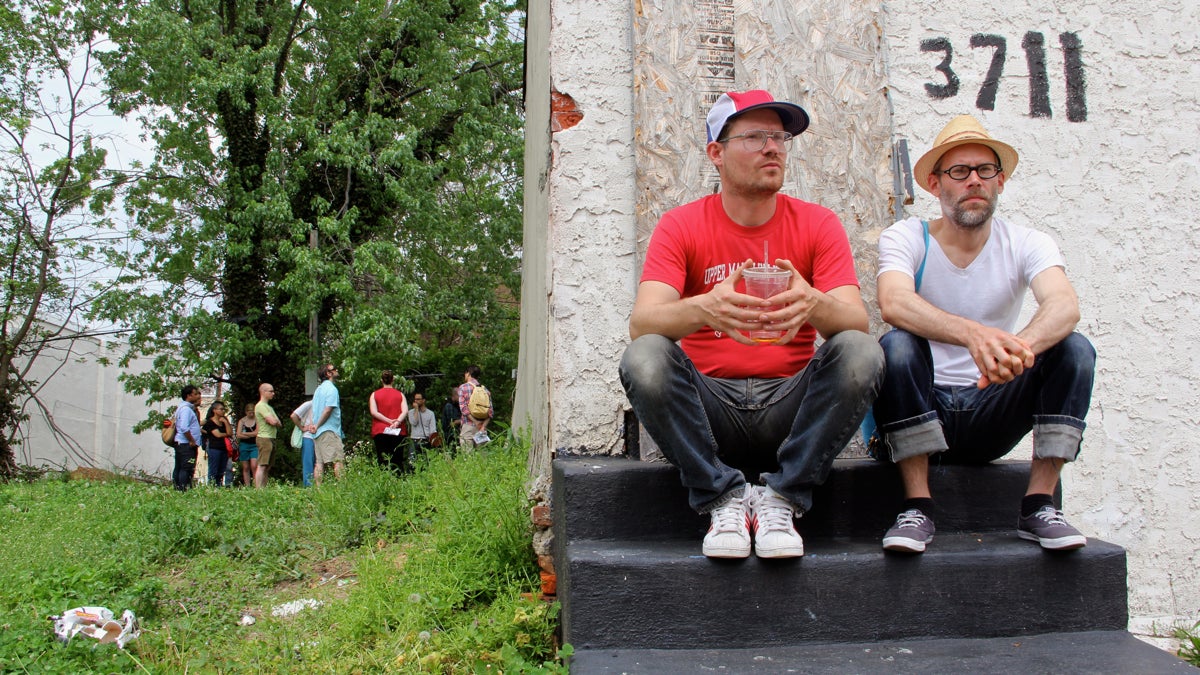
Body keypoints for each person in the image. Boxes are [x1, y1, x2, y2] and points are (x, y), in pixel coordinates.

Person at [618, 90, 884, 559]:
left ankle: (782, 498)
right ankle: (722, 497)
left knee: (862, 352)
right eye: (756, 136)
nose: (773, 147)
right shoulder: (681, 225)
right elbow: (644, 323)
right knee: (644, 358)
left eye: (780, 137)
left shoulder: (818, 223)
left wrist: (813, 303)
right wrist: (704, 308)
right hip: (709, 410)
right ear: (715, 153)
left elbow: (855, 321)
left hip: (790, 408)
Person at [872, 114, 1096, 553]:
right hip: (923, 405)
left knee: (1074, 349)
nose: (974, 180)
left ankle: (1039, 505)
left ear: (1001, 181)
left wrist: (1019, 349)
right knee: (895, 345)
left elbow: (1064, 305)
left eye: (985, 170)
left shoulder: (1028, 242)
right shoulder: (907, 236)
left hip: (993, 403)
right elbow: (893, 302)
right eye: (959, 171)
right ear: (935, 185)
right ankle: (918, 506)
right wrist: (975, 335)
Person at [308, 363, 345, 485]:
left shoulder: (318, 390)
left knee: (319, 463)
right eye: (334, 369)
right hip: (329, 430)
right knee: (338, 460)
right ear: (328, 373)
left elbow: (314, 410)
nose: (337, 370)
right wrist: (317, 425)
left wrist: (313, 426)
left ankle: (319, 491)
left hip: (317, 433)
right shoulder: (331, 389)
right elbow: (328, 409)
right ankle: (342, 490)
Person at [369, 370, 408, 472]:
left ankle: (385, 480)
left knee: (382, 459)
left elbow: (374, 412)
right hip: (397, 430)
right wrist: (397, 422)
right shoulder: (400, 395)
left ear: (381, 380)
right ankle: (399, 479)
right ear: (393, 380)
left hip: (380, 430)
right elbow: (405, 411)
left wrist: (388, 420)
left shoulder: (374, 395)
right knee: (397, 458)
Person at [172, 385, 204, 491]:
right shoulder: (186, 410)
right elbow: (184, 427)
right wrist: (191, 440)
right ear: (189, 396)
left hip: (182, 443)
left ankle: (178, 488)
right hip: (186, 444)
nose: (197, 396)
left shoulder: (184, 408)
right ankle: (182, 489)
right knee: (186, 468)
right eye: (195, 394)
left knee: (180, 467)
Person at [457, 366, 493, 452]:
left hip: (468, 426)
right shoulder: (485, 390)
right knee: (482, 457)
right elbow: (490, 412)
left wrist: (476, 422)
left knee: (467, 457)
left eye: (465, 373)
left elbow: (463, 408)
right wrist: (483, 426)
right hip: (482, 428)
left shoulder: (463, 387)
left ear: (468, 373)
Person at [253, 383, 283, 488]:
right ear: (263, 392)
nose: (273, 393)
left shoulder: (269, 407)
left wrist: (273, 421)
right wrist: (272, 421)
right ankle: (258, 490)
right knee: (262, 465)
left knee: (267, 466)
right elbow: (273, 421)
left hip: (271, 437)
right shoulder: (260, 406)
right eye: (270, 391)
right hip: (264, 438)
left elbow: (278, 422)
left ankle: (264, 489)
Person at [201, 400, 234, 487]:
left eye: (224, 409)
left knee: (221, 470)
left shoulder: (224, 421)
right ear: (214, 410)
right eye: (221, 409)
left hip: (224, 448)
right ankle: (212, 486)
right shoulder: (210, 422)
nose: (223, 411)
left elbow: (230, 433)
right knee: (214, 470)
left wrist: (226, 422)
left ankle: (219, 486)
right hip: (214, 448)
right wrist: (226, 434)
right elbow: (218, 434)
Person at [406, 392, 438, 465]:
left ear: (423, 400)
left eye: (418, 399)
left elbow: (433, 429)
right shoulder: (411, 412)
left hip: (425, 440)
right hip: (414, 439)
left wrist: (432, 440)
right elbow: (414, 422)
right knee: (412, 463)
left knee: (426, 462)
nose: (416, 401)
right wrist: (416, 410)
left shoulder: (430, 413)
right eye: (415, 399)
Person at [290, 398, 316, 487]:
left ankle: (317, 486)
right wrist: (302, 427)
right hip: (308, 436)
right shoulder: (309, 404)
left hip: (318, 437)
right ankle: (309, 487)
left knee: (317, 463)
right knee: (308, 462)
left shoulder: (323, 405)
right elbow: (293, 416)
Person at [235, 402, 258, 487]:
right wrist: (250, 434)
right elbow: (238, 434)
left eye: (253, 412)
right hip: (244, 445)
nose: (251, 414)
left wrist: (245, 434)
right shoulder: (242, 421)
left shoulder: (257, 420)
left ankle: (256, 485)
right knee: (245, 467)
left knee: (254, 465)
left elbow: (256, 433)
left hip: (254, 445)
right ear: (246, 412)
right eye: (249, 412)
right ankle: (247, 485)